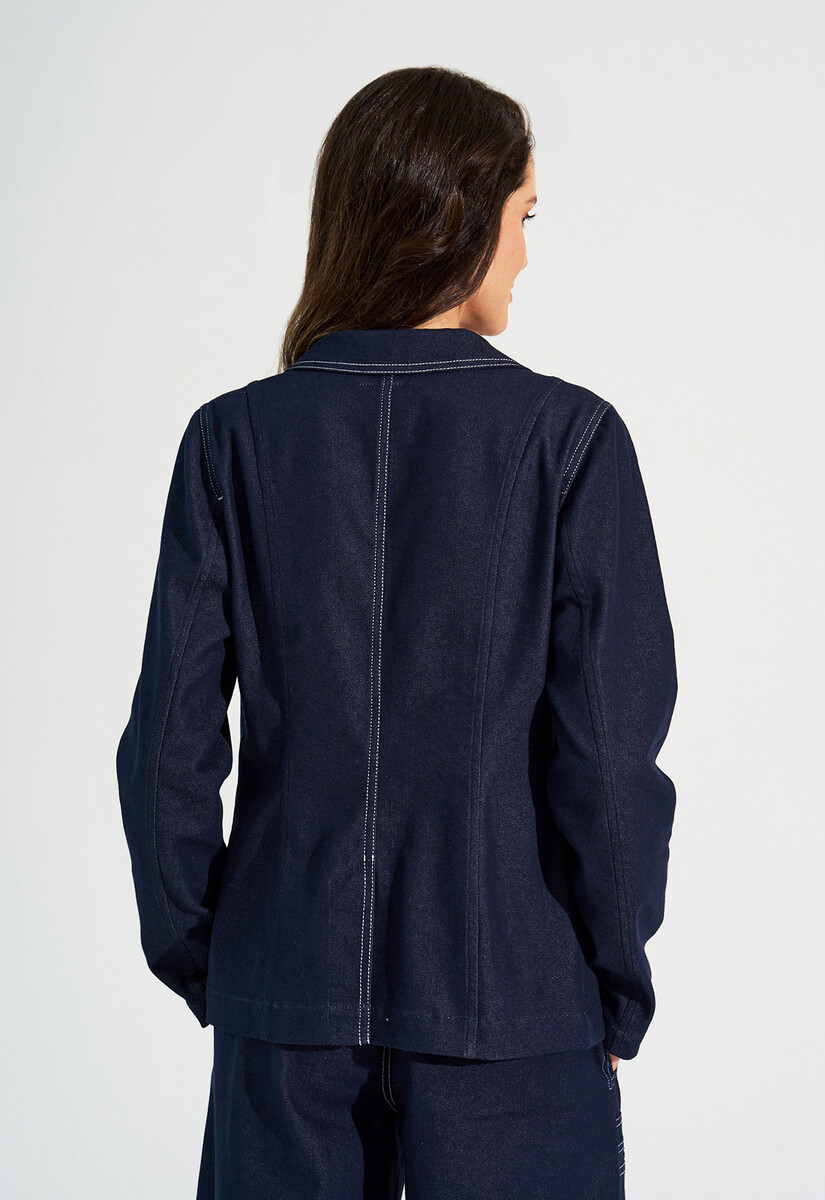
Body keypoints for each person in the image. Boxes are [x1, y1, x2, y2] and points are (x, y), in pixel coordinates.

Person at [116, 65, 677, 1199]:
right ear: (460, 217)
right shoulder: (569, 440)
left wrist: (222, 962)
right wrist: (615, 980)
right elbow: (608, 761)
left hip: (285, 1009)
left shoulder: (232, 441)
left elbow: (167, 748)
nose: (526, 254)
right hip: (514, 1008)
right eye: (523, 217)